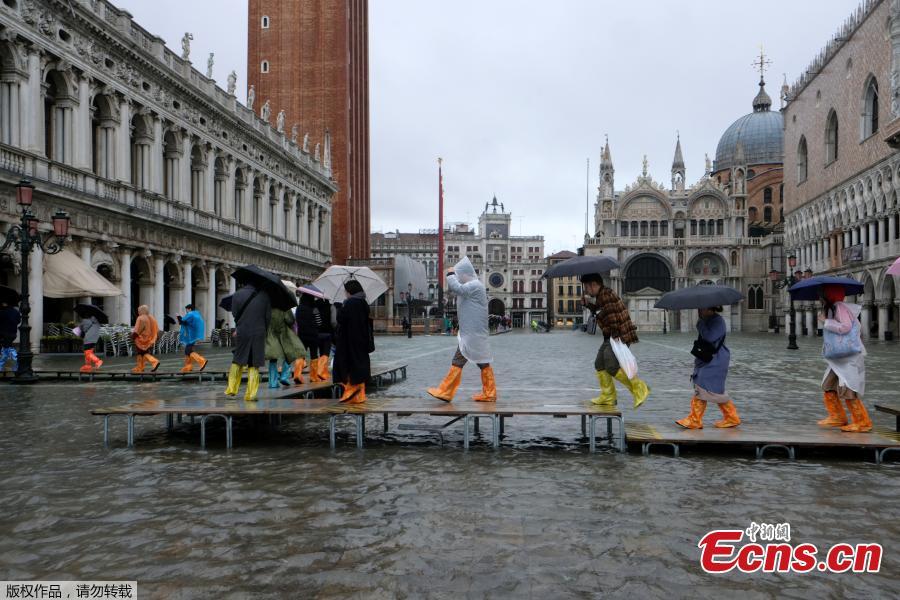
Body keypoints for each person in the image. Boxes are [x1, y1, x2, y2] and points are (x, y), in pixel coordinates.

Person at [427, 257, 496, 402]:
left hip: (472, 334)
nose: (458, 277)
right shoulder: (474, 286)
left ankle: (445, 391)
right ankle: (490, 393)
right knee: (482, 362)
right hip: (474, 334)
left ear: (465, 274)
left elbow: (457, 288)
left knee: (458, 360)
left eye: (459, 275)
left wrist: (450, 274)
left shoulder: (474, 285)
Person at [581, 273, 649, 408]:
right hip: (611, 335)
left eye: (587, 287)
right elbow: (602, 312)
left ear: (593, 285)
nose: (586, 291)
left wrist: (616, 334)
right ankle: (608, 396)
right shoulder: (602, 296)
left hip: (617, 335)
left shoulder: (605, 295)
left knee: (611, 366)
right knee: (599, 364)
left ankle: (639, 388)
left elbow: (612, 314)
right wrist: (588, 305)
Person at [817, 284, 871, 432]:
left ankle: (862, 422)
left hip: (848, 357)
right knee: (828, 385)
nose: (819, 297)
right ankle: (837, 417)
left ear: (829, 295)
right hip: (838, 358)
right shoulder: (833, 308)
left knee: (848, 388)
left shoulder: (840, 307)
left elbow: (845, 327)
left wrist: (826, 321)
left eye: (822, 294)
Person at [675, 306, 740, 429]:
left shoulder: (717, 321)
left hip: (716, 359)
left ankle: (695, 420)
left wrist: (700, 324)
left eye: (701, 308)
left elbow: (710, 337)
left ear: (710, 308)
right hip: (709, 358)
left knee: (703, 385)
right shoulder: (708, 320)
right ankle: (731, 417)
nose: (699, 311)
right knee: (714, 389)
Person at [225, 280, 271, 401]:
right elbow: (267, 317)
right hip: (258, 332)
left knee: (238, 359)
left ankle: (231, 388)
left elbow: (234, 313)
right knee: (253, 363)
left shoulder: (237, 294)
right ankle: (251, 394)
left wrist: (241, 324)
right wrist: (264, 329)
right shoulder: (264, 296)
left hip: (242, 331)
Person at [333, 279, 370, 403]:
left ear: (349, 291)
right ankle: (360, 396)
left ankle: (350, 390)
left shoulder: (349, 303)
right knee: (359, 364)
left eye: (345, 291)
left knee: (347, 364)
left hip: (349, 340)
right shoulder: (363, 303)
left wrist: (340, 307)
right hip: (361, 339)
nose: (345, 293)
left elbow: (341, 319)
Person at [265, 307, 308, 388]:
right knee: (290, 354)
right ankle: (284, 376)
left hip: (271, 334)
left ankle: (273, 382)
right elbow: (290, 320)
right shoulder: (284, 307)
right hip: (283, 334)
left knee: (273, 358)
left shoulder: (267, 307)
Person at [294, 292, 320, 383]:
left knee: (301, 355)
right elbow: (319, 322)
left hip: (302, 335)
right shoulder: (314, 309)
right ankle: (313, 377)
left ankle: (297, 374)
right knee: (314, 356)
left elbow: (296, 320)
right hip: (313, 335)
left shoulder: (299, 308)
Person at [177, 304, 207, 373]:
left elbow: (182, 322)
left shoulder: (190, 314)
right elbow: (186, 323)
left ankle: (202, 361)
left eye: (186, 309)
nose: (186, 311)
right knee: (187, 351)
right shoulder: (196, 314)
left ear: (189, 309)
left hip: (191, 336)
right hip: (194, 335)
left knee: (188, 351)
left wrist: (178, 316)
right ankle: (188, 367)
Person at [131, 305, 160, 373]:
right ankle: (140, 367)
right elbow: (156, 328)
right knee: (140, 353)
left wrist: (133, 336)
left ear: (142, 311)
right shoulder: (152, 318)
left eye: (139, 311)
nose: (138, 312)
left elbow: (138, 329)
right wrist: (156, 336)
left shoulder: (140, 318)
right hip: (150, 339)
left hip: (141, 339)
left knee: (143, 353)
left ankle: (155, 362)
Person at [0, 301, 20, 372]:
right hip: (13, 333)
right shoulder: (16, 312)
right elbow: (18, 321)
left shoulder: (3, 311)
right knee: (6, 349)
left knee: (8, 349)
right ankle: (2, 366)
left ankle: (16, 365)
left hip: (3, 333)